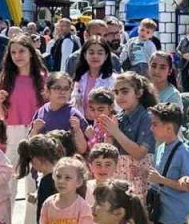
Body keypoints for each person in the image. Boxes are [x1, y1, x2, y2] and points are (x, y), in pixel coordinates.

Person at [0, 35, 48, 224]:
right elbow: (0, 115)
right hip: (12, 133)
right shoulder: (7, 78)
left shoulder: (42, 78)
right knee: (8, 186)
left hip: (35, 132)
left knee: (33, 187)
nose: (18, 56)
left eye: (21, 51)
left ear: (30, 52)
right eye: (13, 52)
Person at [99, 72, 157, 201]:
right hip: (119, 175)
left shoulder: (147, 117)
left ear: (138, 93)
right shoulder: (118, 117)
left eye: (124, 92)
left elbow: (139, 153)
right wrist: (108, 133)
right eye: (116, 92)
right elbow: (108, 150)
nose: (119, 96)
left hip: (139, 177)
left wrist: (116, 132)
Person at [29, 72, 87, 154]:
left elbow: (82, 149)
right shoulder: (41, 112)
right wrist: (35, 130)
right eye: (57, 88)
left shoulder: (74, 114)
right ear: (48, 91)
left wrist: (77, 130)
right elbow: (30, 144)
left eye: (66, 88)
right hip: (43, 162)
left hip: (65, 163)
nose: (62, 92)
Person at [72, 37, 116, 115]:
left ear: (106, 56)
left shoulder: (113, 80)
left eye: (100, 53)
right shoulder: (79, 78)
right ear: (85, 55)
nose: (95, 56)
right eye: (91, 53)